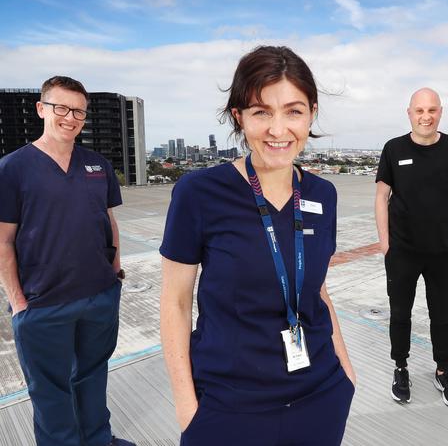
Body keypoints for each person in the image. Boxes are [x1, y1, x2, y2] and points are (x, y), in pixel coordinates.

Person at [160, 45, 355, 446]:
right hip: (229, 404)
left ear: (312, 113)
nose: (278, 130)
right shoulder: (199, 193)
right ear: (240, 117)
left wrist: (346, 373)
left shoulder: (323, 194)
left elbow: (317, 290)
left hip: (320, 394)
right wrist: (187, 408)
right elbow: (174, 302)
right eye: (261, 111)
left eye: (294, 111)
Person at [0, 76, 133, 446]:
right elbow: (3, 241)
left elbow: (109, 222)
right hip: (42, 303)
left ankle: (97, 439)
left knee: (92, 377)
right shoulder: (12, 168)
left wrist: (115, 275)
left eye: (78, 111)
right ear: (42, 109)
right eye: (61, 108)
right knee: (50, 392)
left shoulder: (98, 165)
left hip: (99, 296)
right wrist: (19, 303)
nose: (70, 117)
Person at [374, 87, 448, 408]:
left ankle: (442, 370)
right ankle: (401, 367)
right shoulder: (393, 148)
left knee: (442, 316)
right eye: (419, 110)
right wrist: (385, 243)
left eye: (431, 110)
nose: (426, 116)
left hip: (445, 253)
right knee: (400, 313)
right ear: (409, 113)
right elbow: (381, 197)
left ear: (440, 112)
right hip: (403, 251)